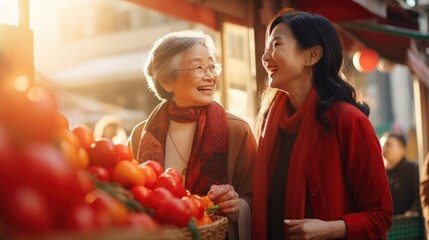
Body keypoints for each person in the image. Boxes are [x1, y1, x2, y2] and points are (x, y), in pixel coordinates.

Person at [252, 9, 393, 240]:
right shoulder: (270, 123)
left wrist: (331, 228)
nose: (265, 57)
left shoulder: (349, 122)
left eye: (275, 45)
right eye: (266, 47)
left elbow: (381, 216)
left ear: (312, 55)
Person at [128, 30, 257, 239]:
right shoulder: (140, 135)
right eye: (199, 67)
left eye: (212, 66)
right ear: (166, 81)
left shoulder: (238, 130)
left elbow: (259, 199)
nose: (210, 76)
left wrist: (237, 205)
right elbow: (130, 196)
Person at [380, 132, 421, 216]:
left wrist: (414, 211)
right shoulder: (379, 173)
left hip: (408, 224)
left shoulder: (413, 169)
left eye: (388, 145)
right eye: (382, 145)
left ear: (402, 149)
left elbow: (421, 196)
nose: (384, 148)